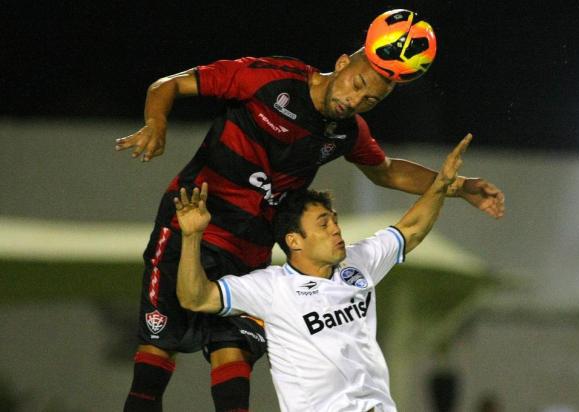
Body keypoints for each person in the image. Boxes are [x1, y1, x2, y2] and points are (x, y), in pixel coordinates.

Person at [116, 49, 504, 411]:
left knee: (231, 349)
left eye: (370, 100)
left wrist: (462, 187)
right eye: (357, 85)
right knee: (158, 344)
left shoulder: (346, 131)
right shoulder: (269, 79)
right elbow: (168, 84)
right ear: (341, 63)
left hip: (254, 245)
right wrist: (156, 122)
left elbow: (385, 171)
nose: (355, 101)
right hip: (194, 220)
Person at [174, 134, 473, 411]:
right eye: (323, 224)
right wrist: (191, 237)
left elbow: (412, 229)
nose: (335, 229)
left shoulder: (358, 262)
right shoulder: (272, 288)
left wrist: (441, 185)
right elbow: (195, 298)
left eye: (334, 220)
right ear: (294, 241)